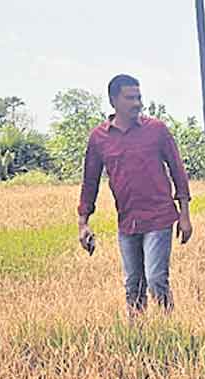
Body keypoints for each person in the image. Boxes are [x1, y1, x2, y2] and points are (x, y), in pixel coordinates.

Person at [78, 74, 193, 317]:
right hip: (127, 221)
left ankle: (169, 329)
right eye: (130, 98)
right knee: (133, 285)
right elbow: (90, 181)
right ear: (113, 101)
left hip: (159, 217)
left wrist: (184, 215)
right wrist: (83, 222)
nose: (137, 103)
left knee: (156, 279)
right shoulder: (100, 138)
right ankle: (138, 337)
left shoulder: (157, 130)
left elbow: (177, 171)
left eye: (138, 97)